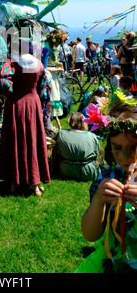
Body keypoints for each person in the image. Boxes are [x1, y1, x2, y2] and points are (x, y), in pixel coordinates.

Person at [78, 103, 137, 273]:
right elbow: (91, 235)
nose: (126, 157)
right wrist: (98, 200)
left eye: (134, 147)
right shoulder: (107, 177)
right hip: (113, 264)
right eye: (117, 148)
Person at [0, 36, 51, 196]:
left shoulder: (12, 62)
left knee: (14, 140)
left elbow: (3, 82)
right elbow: (43, 87)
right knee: (33, 140)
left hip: (15, 105)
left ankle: (12, 182)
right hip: (33, 103)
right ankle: (34, 184)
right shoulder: (39, 64)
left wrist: (9, 93)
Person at [54, 112, 102, 181]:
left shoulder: (61, 133)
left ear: (69, 121)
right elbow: (100, 155)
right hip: (89, 173)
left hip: (65, 171)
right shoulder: (92, 136)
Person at [45, 29, 64, 128]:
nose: (60, 43)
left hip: (54, 77)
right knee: (52, 97)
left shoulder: (53, 48)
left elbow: (52, 62)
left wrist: (58, 63)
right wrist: (57, 70)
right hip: (49, 77)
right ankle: (50, 122)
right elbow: (44, 67)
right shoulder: (47, 48)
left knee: (55, 96)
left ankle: (54, 122)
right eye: (59, 41)